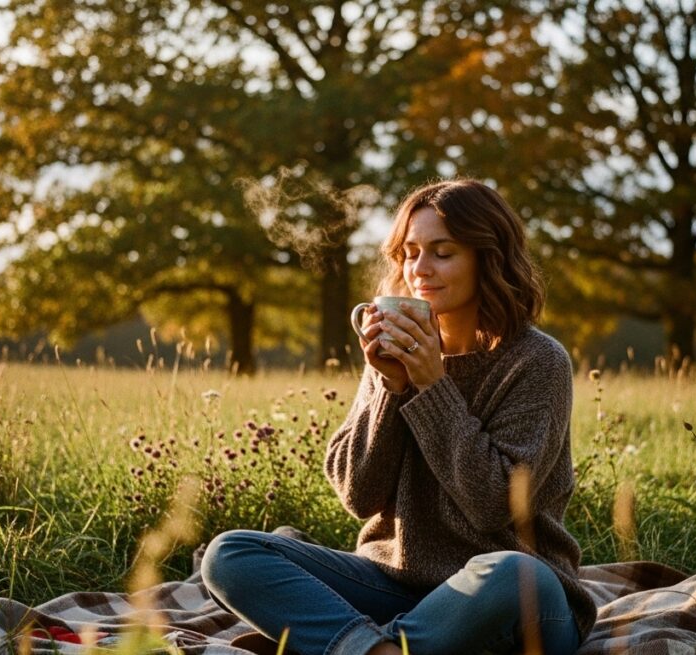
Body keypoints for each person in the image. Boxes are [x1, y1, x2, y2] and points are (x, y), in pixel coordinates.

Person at [202, 179, 595, 655]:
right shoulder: (395, 351)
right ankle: (380, 650)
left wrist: (433, 386)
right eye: (409, 253)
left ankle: (349, 643)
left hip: (510, 601)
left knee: (516, 572)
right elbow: (358, 493)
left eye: (442, 252)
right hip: (396, 589)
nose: (419, 269)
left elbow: (496, 505)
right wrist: (391, 386)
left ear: (487, 258)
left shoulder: (537, 362)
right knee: (231, 554)